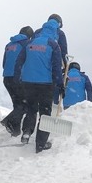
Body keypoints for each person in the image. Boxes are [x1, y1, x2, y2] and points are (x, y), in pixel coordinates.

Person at [14, 18, 64, 153]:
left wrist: (18, 78)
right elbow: (56, 68)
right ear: (55, 32)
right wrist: (60, 84)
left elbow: (19, 61)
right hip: (45, 84)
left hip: (28, 83)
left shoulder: (30, 43)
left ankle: (26, 132)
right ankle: (41, 143)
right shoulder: (53, 45)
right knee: (45, 113)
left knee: (31, 109)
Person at [0, 26, 34, 137]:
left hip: (7, 78)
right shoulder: (26, 44)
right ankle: (8, 120)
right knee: (25, 105)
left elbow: (4, 63)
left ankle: (15, 131)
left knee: (17, 105)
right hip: (18, 77)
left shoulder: (9, 45)